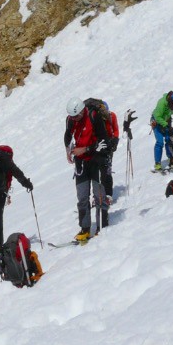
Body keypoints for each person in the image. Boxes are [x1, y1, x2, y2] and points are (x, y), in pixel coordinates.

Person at [64, 97, 117, 240]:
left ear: (82, 111)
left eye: (77, 116)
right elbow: (67, 135)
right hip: (81, 163)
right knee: (82, 197)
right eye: (72, 117)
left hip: (97, 160)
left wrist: (85, 149)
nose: (75, 119)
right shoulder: (70, 120)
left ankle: (102, 226)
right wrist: (68, 150)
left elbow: (104, 141)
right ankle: (85, 228)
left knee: (99, 195)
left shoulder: (94, 116)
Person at [151, 90, 173, 171]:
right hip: (156, 121)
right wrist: (166, 126)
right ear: (172, 100)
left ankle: (171, 158)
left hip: (166, 121)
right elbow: (157, 116)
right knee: (160, 142)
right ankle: (157, 163)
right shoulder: (162, 103)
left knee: (168, 139)